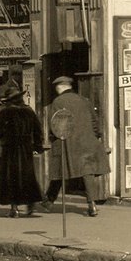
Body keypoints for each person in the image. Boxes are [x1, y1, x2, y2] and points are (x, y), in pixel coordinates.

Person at [43, 75, 105, 216]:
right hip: (87, 142)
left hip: (67, 142)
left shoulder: (58, 101)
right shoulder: (84, 100)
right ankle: (92, 204)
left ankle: (48, 201)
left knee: (59, 171)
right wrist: (96, 136)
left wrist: (53, 139)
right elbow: (95, 122)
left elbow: (55, 125)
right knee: (87, 173)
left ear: (60, 87)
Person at [0, 79, 44, 217]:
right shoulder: (29, 111)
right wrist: (37, 146)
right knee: (27, 176)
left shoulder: (6, 113)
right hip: (25, 149)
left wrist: (4, 135)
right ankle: (30, 203)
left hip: (10, 150)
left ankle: (14, 208)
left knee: (11, 178)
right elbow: (37, 130)